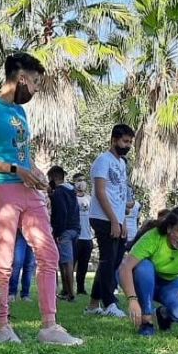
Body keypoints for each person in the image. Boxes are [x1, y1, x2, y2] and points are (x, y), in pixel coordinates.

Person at [0, 52, 82, 345]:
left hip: (28, 190)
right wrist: (15, 169)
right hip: (1, 189)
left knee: (49, 254)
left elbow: (23, 156)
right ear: (20, 78)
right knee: (4, 261)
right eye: (34, 82)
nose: (34, 89)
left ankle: (50, 326)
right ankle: (2, 326)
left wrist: (37, 173)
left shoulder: (20, 113)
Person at [118, 207, 178, 336]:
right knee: (144, 267)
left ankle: (162, 314)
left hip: (169, 282)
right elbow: (125, 268)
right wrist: (132, 299)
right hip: (142, 279)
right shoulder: (154, 237)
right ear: (169, 228)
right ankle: (147, 321)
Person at [85, 124, 135, 319]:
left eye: (130, 142)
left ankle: (93, 304)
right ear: (114, 140)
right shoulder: (102, 161)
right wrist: (113, 220)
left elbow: (120, 195)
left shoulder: (122, 164)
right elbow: (100, 192)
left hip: (118, 218)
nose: (128, 145)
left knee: (113, 261)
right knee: (108, 260)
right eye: (125, 141)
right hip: (102, 217)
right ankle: (109, 303)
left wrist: (122, 220)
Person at [48, 166, 80, 301]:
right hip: (75, 228)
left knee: (66, 262)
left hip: (64, 230)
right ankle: (66, 290)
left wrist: (58, 232)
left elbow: (61, 213)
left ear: (54, 178)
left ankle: (71, 293)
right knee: (65, 260)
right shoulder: (71, 191)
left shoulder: (59, 193)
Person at [72, 173, 93, 295]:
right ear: (74, 182)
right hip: (75, 236)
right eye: (79, 180)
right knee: (71, 263)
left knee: (83, 266)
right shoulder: (71, 198)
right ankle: (68, 288)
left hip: (87, 237)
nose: (82, 183)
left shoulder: (90, 199)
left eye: (84, 180)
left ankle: (81, 288)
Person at [9, 231, 36, 301]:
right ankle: (12, 292)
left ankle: (25, 294)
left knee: (29, 265)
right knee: (17, 263)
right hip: (21, 232)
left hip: (34, 234)